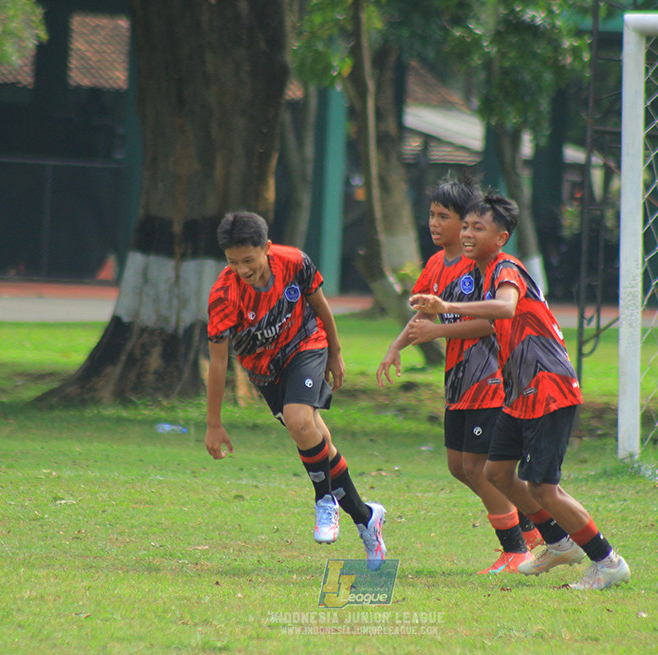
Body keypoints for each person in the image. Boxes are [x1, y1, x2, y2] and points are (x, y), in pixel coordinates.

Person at [410, 192, 631, 590]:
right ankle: (559, 543)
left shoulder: (505, 268)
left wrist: (448, 308)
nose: (467, 233)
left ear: (502, 237)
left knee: (543, 488)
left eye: (479, 227)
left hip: (549, 387)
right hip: (519, 393)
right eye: (466, 226)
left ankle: (607, 560)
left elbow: (507, 307)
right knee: (496, 472)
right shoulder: (482, 271)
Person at [377, 174, 542, 575]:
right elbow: (426, 312)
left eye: (445, 217)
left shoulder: (483, 266)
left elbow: (491, 323)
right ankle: (531, 522)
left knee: (478, 468)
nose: (435, 224)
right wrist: (398, 345)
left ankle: (517, 548)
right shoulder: (436, 263)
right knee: (458, 466)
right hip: (459, 382)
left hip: (488, 379)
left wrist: (437, 331)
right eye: (431, 215)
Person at [205, 211, 386, 570]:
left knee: (299, 420)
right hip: (264, 372)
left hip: (306, 345)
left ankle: (324, 500)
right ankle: (366, 518)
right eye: (232, 262)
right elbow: (217, 363)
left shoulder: (294, 262)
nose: (242, 269)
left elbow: (320, 305)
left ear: (267, 249)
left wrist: (335, 352)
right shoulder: (224, 296)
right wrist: (213, 423)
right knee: (317, 441)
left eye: (248, 260)